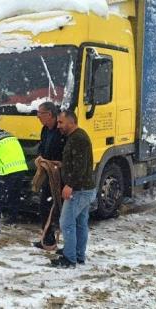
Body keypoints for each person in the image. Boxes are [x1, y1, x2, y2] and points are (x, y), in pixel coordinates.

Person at [50, 110, 96, 268]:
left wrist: (70, 185)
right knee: (80, 223)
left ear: (71, 122)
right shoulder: (75, 137)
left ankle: (69, 260)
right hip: (85, 188)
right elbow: (76, 163)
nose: (58, 126)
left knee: (66, 223)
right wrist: (62, 165)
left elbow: (80, 166)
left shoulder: (78, 139)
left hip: (79, 189)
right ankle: (78, 255)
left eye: (61, 122)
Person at [33, 102, 66, 250]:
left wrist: (59, 164)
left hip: (59, 174)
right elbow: (42, 145)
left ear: (50, 115)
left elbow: (66, 152)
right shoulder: (45, 129)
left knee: (55, 207)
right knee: (44, 206)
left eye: (40, 113)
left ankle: (54, 239)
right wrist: (40, 157)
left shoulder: (61, 131)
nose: (38, 116)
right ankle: (47, 238)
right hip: (47, 171)